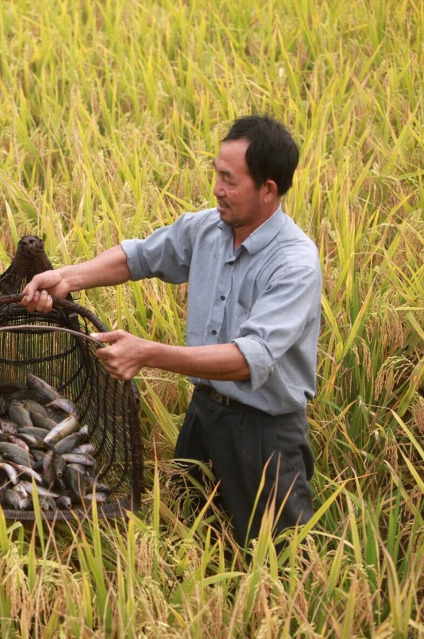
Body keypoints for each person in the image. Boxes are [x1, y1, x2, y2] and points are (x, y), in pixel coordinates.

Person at [21, 115, 320, 546]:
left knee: (282, 562)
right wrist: (68, 277)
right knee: (194, 539)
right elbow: (139, 257)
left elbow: (248, 357)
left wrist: (147, 353)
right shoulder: (208, 229)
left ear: (268, 190)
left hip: (264, 434)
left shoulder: (294, 263)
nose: (216, 187)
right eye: (216, 173)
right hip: (205, 415)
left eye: (229, 179)